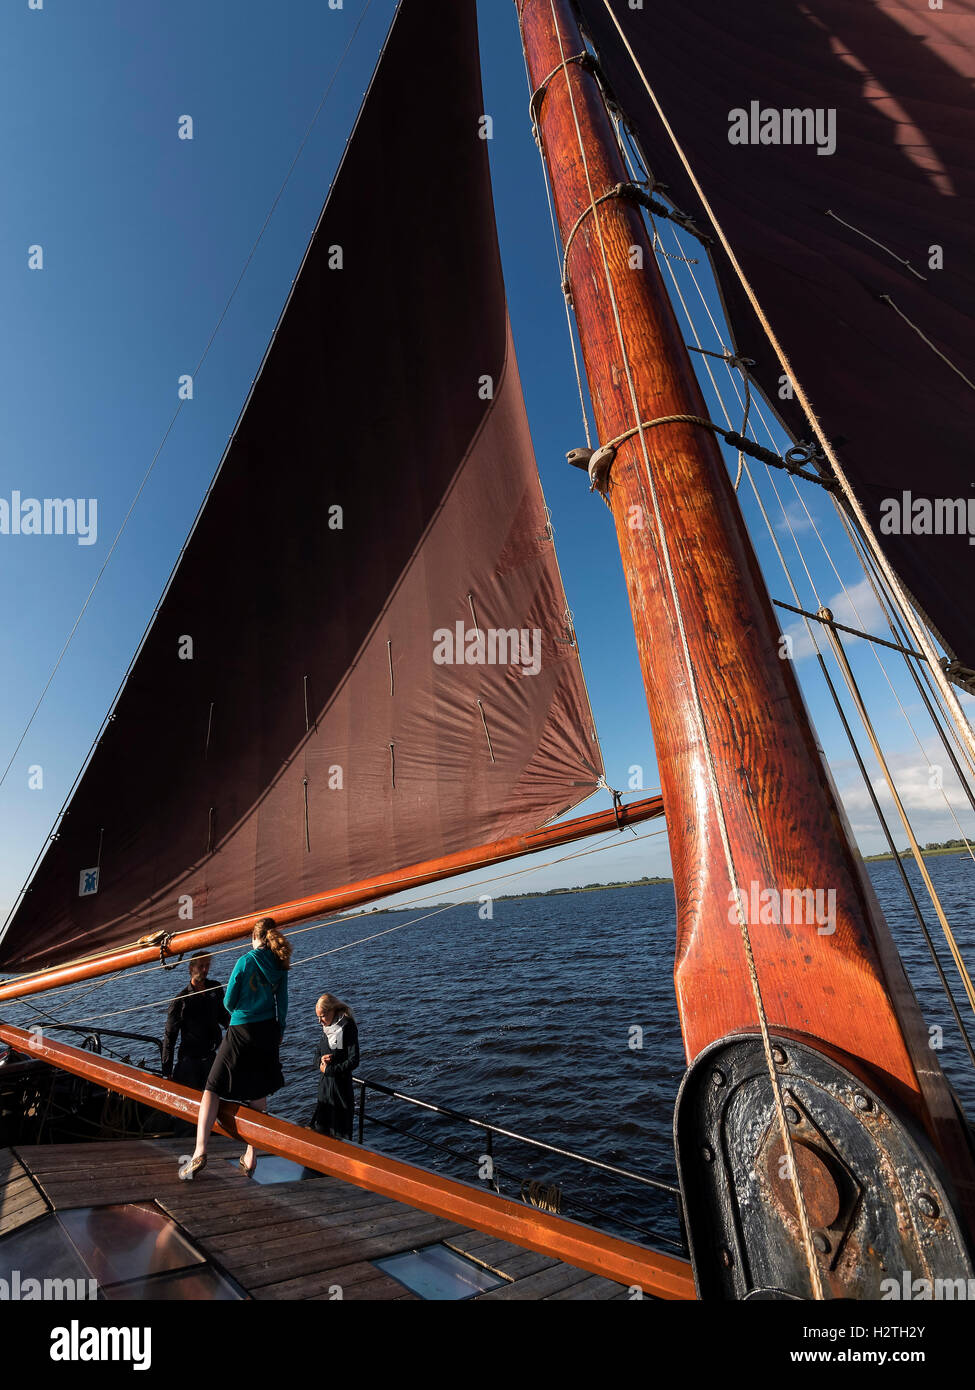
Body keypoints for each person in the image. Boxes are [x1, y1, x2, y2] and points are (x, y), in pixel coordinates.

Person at [179, 916, 291, 1180]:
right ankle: (251, 1157)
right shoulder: (280, 963)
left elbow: (228, 1002)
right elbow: (283, 1003)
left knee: (212, 1087)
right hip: (268, 1031)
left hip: (241, 1028)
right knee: (258, 1093)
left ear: (254, 937)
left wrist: (239, 1012)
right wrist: (280, 1031)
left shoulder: (245, 961)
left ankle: (199, 1151)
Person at [161, 952, 229, 1090]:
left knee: (218, 1097)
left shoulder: (215, 988)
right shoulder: (181, 1001)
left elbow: (224, 1017)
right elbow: (170, 1037)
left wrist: (240, 1031)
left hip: (211, 1057)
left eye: (207, 965)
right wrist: (166, 1072)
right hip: (190, 1063)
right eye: (201, 966)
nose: (205, 970)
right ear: (191, 968)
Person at [310, 994, 359, 1140]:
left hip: (341, 1091)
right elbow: (316, 1056)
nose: (320, 1021)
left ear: (332, 1010)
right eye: (318, 1017)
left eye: (323, 1016)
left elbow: (354, 1060)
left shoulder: (347, 1027)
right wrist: (320, 1060)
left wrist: (330, 1070)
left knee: (341, 1135)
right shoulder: (326, 1028)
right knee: (320, 1132)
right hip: (324, 1090)